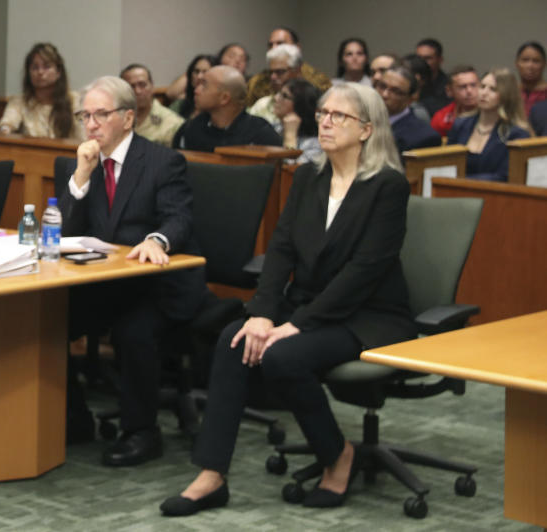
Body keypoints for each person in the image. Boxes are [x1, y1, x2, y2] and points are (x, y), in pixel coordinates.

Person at [161, 82, 415, 516]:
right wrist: (261, 313)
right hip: (310, 303)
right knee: (233, 339)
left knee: (282, 356)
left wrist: (295, 324)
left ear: (367, 130)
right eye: (323, 114)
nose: (327, 122)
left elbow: (364, 271)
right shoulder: (308, 176)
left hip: (368, 313)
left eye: (340, 116)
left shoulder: (388, 186)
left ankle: (337, 455)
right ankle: (211, 475)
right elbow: (280, 249)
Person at [59, 76, 203, 467]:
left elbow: (179, 219)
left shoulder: (162, 161)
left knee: (133, 331)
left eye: (100, 114)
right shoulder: (81, 163)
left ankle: (142, 431)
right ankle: (74, 419)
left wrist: (157, 239)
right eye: (84, 115)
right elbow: (65, 234)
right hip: (101, 284)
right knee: (47, 321)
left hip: (154, 286)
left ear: (127, 117)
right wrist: (81, 178)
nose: (90, 124)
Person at [448, 68, 532, 182]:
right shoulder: (461, 124)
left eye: (493, 89)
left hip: (494, 195)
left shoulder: (517, 134)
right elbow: (446, 165)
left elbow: (504, 176)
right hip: (453, 191)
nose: (484, 93)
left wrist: (460, 181)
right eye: (482, 87)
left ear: (506, 95)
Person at [173, 65, 281, 152]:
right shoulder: (191, 128)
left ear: (224, 98)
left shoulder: (260, 135)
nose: (196, 91)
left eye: (204, 85)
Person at [0, 43, 82, 140]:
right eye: (35, 68)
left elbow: (83, 135)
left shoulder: (74, 100)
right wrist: (5, 129)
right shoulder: (19, 102)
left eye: (47, 67)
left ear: (58, 72)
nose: (40, 72)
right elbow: (7, 123)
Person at [246, 28, 330, 102]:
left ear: (297, 47)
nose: (274, 48)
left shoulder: (318, 81)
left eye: (280, 43)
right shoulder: (257, 83)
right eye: (270, 44)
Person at [376, 63, 440, 155]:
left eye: (395, 91)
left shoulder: (423, 137)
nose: (384, 94)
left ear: (410, 99)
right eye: (382, 86)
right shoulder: (360, 119)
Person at [121, 63, 183, 147]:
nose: (138, 91)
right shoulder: (115, 120)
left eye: (142, 85)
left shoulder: (172, 123)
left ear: (152, 86)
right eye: (131, 86)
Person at [247, 44, 304, 130]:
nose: (273, 77)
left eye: (280, 72)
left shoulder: (312, 104)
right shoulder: (262, 105)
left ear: (297, 71)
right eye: (271, 72)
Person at [275, 79, 324, 165]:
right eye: (279, 93)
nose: (276, 98)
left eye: (284, 96)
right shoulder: (274, 127)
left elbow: (290, 172)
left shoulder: (315, 145)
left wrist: (290, 136)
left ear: (301, 105)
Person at [429, 65, 479, 137]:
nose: (469, 91)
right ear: (449, 91)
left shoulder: (492, 114)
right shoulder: (441, 118)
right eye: (462, 87)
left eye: (473, 85)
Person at [168, 54, 217, 119]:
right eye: (196, 71)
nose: (199, 76)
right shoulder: (180, 103)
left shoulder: (217, 108)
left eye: (205, 72)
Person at [414, 39, 449, 116]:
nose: (422, 62)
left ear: (440, 60)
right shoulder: (411, 83)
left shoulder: (448, 85)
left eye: (427, 58)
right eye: (419, 58)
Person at [515, 41, 547, 114]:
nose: (530, 66)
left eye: (536, 61)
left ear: (544, 64)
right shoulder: (510, 93)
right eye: (525, 60)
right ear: (517, 63)